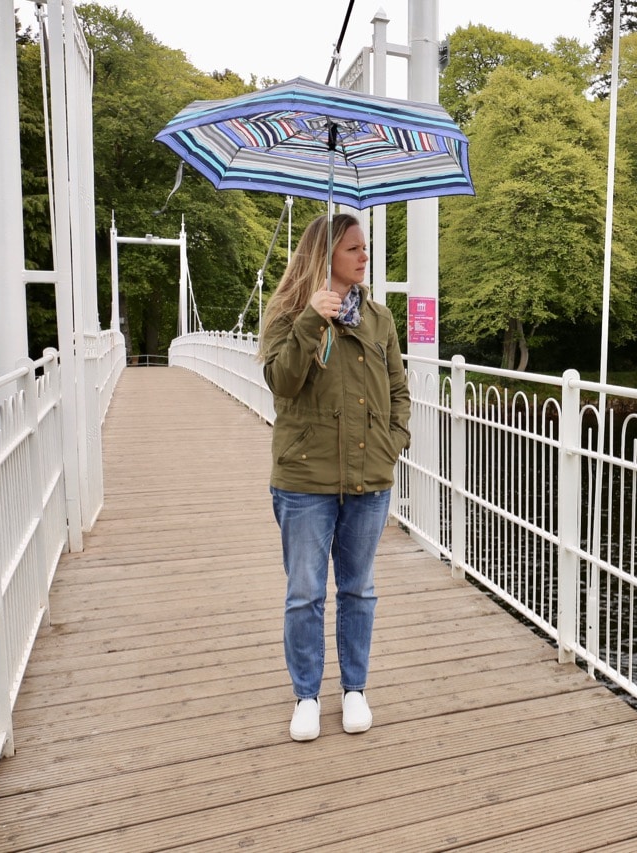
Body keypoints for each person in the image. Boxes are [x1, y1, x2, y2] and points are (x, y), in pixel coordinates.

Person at [259, 213, 410, 742]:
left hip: (368, 479)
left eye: (364, 248)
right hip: (304, 480)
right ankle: (306, 694)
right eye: (353, 249)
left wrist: (392, 446)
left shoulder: (379, 320)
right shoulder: (286, 314)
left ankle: (353, 690)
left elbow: (398, 392)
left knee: (358, 590)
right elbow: (281, 383)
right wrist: (309, 322)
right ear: (324, 257)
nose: (364, 257)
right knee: (304, 592)